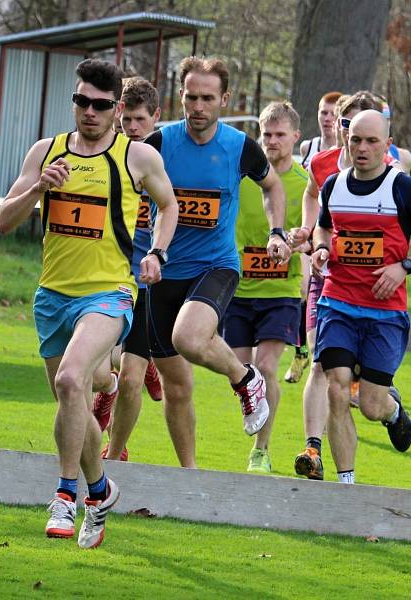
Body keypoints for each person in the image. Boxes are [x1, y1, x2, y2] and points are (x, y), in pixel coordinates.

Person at [0, 59, 178, 548]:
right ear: (74, 101)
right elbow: (3, 222)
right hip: (53, 294)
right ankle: (99, 491)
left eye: (101, 105)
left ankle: (64, 495)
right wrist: (39, 188)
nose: (90, 112)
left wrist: (157, 252)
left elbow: (169, 204)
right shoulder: (46, 152)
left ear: (116, 107)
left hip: (110, 292)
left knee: (72, 378)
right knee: (70, 401)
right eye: (82, 102)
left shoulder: (136, 157)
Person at [144, 56, 291, 469]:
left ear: (224, 99)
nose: (198, 106)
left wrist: (276, 232)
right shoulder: (159, 143)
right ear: (181, 96)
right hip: (162, 273)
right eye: (191, 97)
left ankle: (246, 378)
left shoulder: (239, 146)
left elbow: (272, 186)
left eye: (208, 98)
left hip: (215, 266)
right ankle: (190, 475)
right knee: (175, 387)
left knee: (189, 339)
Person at [310, 110, 411, 484]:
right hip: (337, 303)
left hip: (383, 313)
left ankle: (394, 413)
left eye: (372, 141)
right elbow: (323, 229)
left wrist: (404, 266)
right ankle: (346, 486)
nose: (362, 147)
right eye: (356, 139)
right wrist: (322, 249)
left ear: (387, 145)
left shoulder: (402, 187)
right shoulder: (333, 185)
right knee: (338, 390)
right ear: (346, 141)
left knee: (371, 405)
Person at [292, 91, 385, 481]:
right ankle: (312, 448)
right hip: (327, 277)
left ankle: (385, 403)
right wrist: (313, 236)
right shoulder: (321, 163)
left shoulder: (391, 167)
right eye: (346, 124)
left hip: (370, 287)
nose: (349, 133)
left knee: (363, 393)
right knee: (319, 361)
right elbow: (312, 196)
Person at [223, 101, 308, 474]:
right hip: (239, 290)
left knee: (267, 367)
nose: (272, 141)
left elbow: (316, 233)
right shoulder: (241, 178)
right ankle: (253, 407)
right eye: (266, 134)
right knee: (239, 372)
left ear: (295, 137)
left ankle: (261, 450)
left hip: (281, 291)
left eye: (279, 135)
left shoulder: (305, 184)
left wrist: (295, 241)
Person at [98, 77, 166, 462]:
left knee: (130, 378)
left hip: (149, 279)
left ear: (156, 117)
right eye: (128, 120)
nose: (133, 128)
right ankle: (113, 385)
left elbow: (174, 210)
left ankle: (115, 452)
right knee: (101, 366)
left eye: (141, 120)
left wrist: (159, 253)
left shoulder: (161, 159)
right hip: (109, 275)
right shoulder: (108, 155)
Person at [285, 91, 344, 385]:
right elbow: (308, 190)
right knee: (305, 285)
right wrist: (305, 228)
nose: (328, 119)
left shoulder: (355, 151)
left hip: (341, 237)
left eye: (334, 113)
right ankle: (302, 350)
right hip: (314, 232)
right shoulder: (310, 148)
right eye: (323, 112)